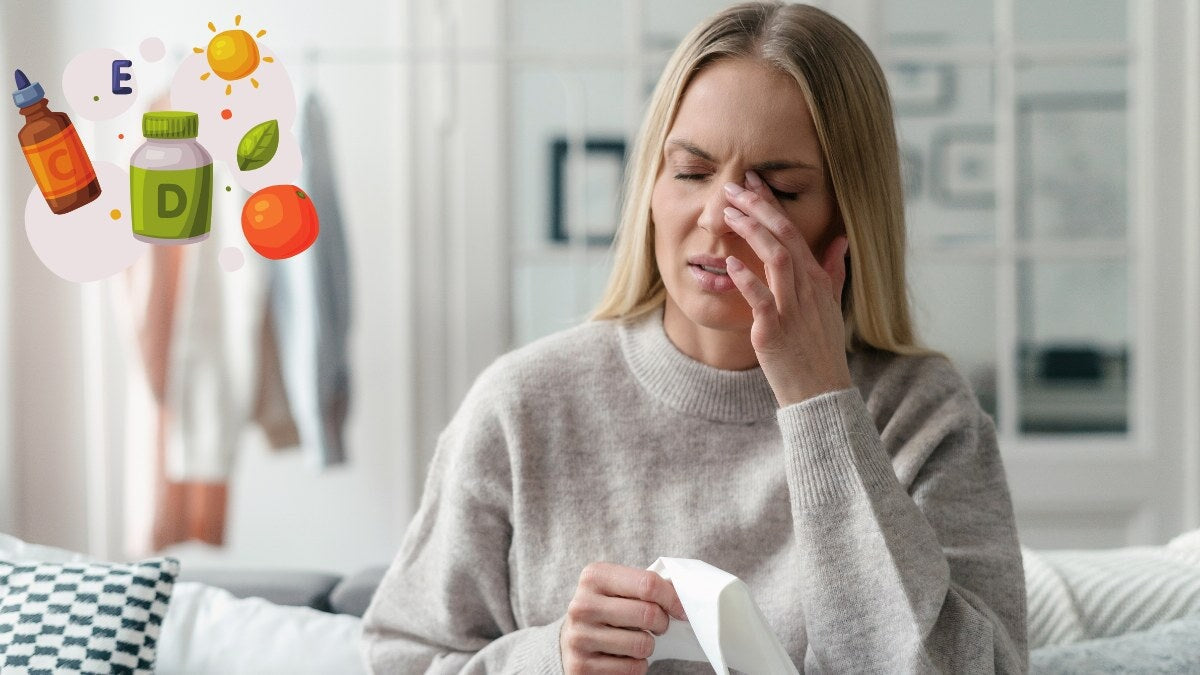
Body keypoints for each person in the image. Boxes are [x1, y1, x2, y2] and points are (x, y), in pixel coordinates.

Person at [360, 2, 1028, 673]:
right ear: (651, 185)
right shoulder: (522, 405)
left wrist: (820, 398)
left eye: (779, 190)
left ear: (844, 216)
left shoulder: (922, 413)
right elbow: (399, 657)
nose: (717, 217)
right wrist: (548, 658)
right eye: (690, 171)